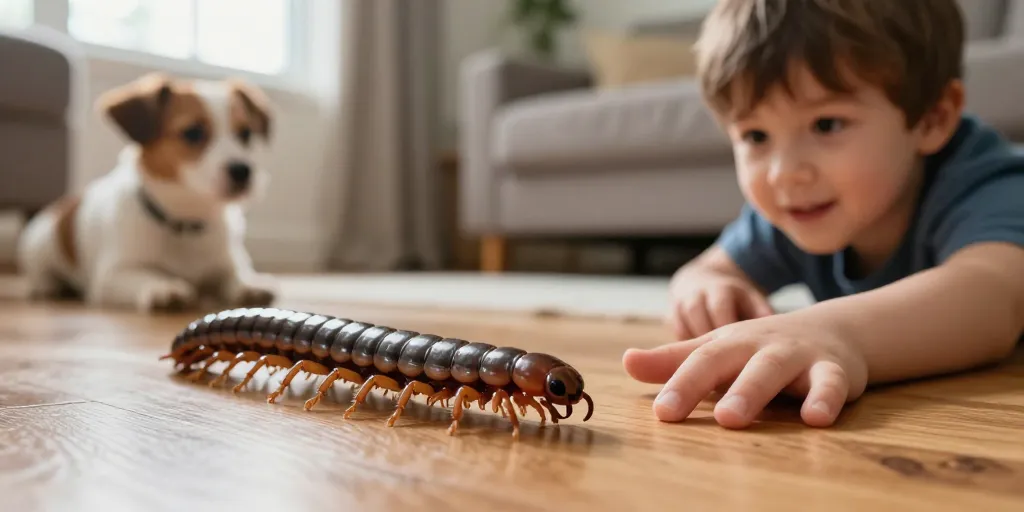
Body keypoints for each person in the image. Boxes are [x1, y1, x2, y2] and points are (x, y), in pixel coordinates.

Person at [622, 0, 1024, 429]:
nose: (784, 173)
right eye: (756, 135)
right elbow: (708, 268)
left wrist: (838, 333)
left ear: (932, 118)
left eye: (826, 125)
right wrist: (703, 287)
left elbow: (995, 298)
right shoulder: (800, 210)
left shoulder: (992, 187)